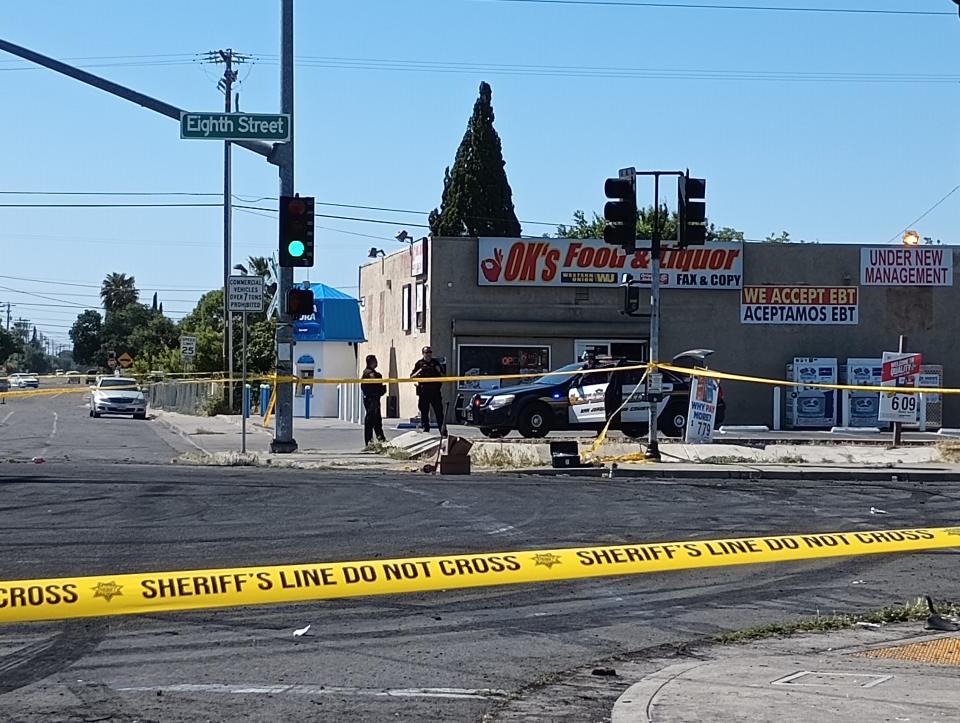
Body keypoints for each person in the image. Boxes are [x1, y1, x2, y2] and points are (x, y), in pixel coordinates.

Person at [411, 346, 445, 433]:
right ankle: (425, 429)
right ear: (423, 354)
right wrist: (419, 371)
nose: (429, 354)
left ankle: (443, 431)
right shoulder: (419, 363)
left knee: (439, 412)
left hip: (435, 392)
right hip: (424, 392)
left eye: (430, 352)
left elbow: (443, 376)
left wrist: (438, 371)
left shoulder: (435, 363)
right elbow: (412, 377)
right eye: (427, 352)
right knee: (424, 412)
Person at [361, 354, 386, 446]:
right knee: (370, 421)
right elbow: (374, 384)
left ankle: (381, 440)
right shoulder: (368, 373)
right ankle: (369, 442)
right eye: (375, 361)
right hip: (371, 399)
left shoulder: (373, 372)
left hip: (375, 399)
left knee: (377, 421)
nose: (376, 362)